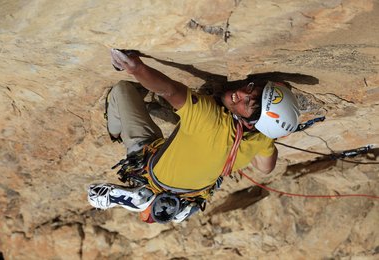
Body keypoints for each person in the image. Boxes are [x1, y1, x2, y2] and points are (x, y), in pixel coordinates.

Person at [87, 49, 300, 224]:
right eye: (254, 89)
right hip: (191, 193)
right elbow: (266, 168)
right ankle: (175, 205)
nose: (243, 92)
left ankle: (116, 133)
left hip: (150, 168)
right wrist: (263, 143)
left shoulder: (208, 117)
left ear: (251, 123)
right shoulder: (262, 139)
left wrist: (136, 68)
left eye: (249, 104)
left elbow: (169, 91)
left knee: (122, 90)